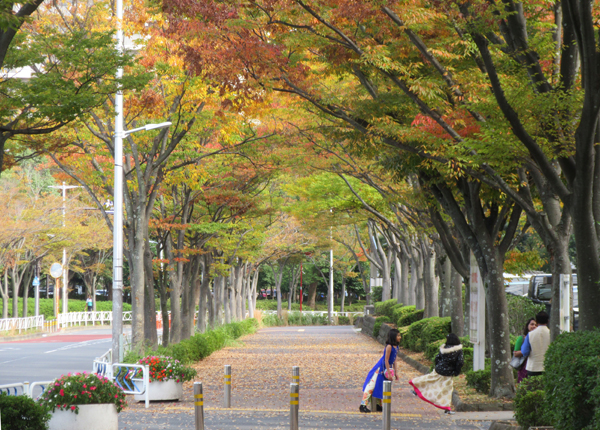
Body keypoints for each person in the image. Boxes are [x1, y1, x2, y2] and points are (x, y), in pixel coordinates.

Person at [409, 333, 463, 415]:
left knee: (429, 379)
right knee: (447, 390)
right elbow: (460, 362)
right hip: (448, 373)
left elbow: (437, 358)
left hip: (439, 369)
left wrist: (438, 365)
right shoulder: (458, 350)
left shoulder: (444, 348)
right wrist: (456, 372)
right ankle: (447, 409)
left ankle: (416, 387)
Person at [359, 328, 400, 413]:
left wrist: (396, 372)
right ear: (393, 336)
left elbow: (395, 360)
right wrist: (388, 372)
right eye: (398, 335)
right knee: (371, 385)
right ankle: (363, 405)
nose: (400, 337)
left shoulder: (396, 347)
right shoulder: (389, 346)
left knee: (380, 386)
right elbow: (386, 360)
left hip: (387, 368)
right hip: (380, 368)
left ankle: (378, 405)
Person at [521, 311, 550, 377]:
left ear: (536, 321)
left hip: (533, 368)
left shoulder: (530, 334)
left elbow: (524, 352)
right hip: (548, 367)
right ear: (548, 321)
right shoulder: (551, 334)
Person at [514, 318, 537, 383]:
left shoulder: (538, 338)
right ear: (527, 326)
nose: (534, 326)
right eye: (532, 324)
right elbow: (515, 353)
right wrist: (526, 351)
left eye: (536, 325)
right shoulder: (521, 338)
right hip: (524, 365)